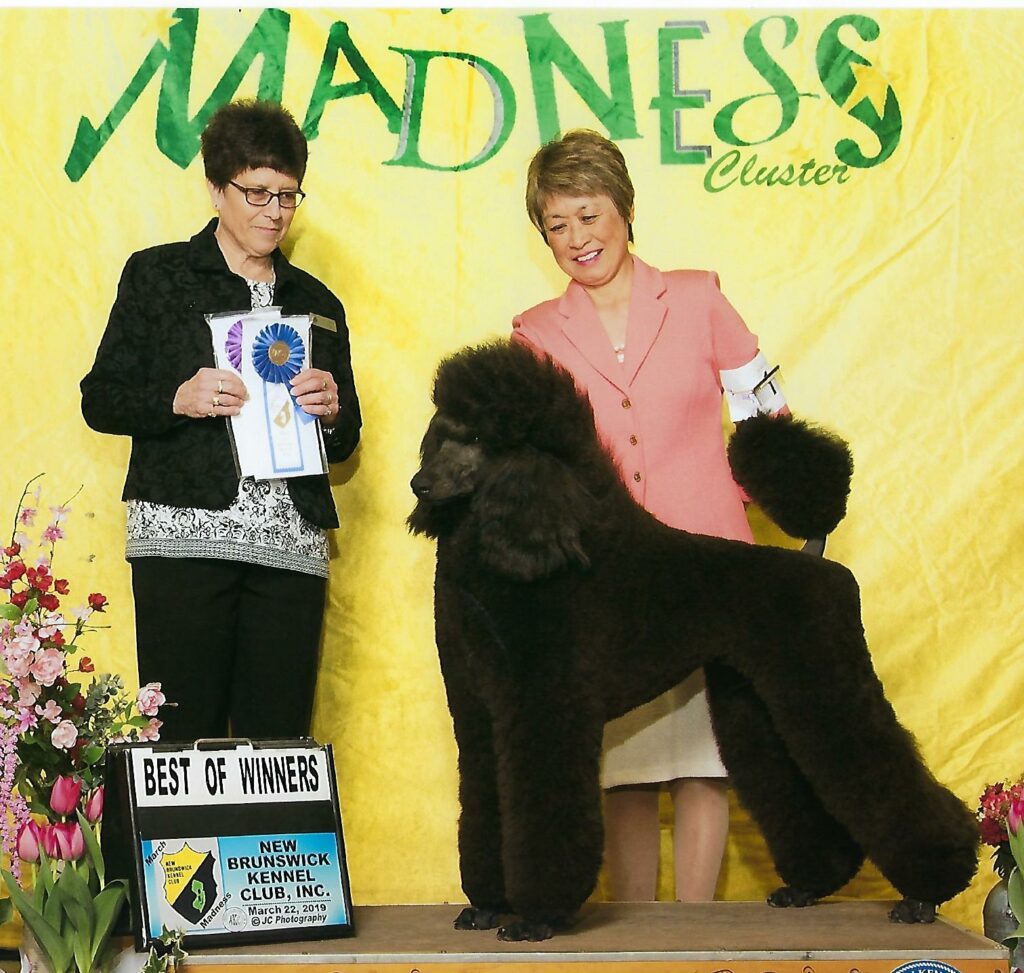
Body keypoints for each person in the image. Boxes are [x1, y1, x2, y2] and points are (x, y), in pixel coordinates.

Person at [510, 130, 787, 902]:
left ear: (626, 209)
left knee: (705, 759)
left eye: (588, 215)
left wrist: (779, 516)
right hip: (605, 579)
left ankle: (694, 935)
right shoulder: (534, 330)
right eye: (556, 225)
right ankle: (636, 937)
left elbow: (768, 419)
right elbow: (533, 465)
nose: (576, 238)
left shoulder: (700, 297)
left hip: (710, 566)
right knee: (623, 765)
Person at [81, 99, 361, 743]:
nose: (274, 212)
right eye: (257, 192)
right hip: (182, 541)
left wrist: (334, 409)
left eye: (288, 197)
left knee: (278, 748)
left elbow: (346, 443)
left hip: (292, 550)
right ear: (215, 188)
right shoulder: (156, 275)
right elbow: (101, 398)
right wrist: (176, 397)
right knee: (180, 742)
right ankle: (180, 853)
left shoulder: (317, 302)